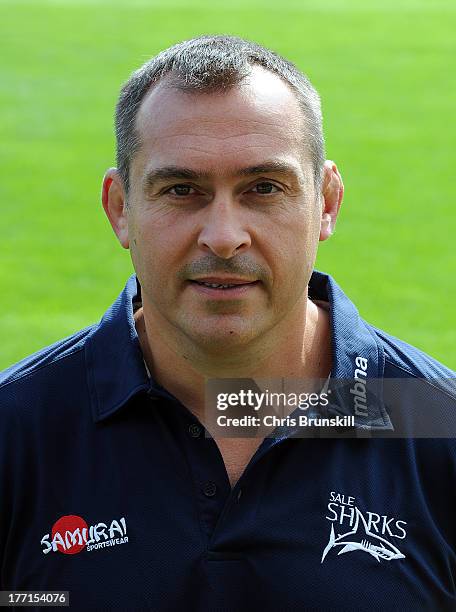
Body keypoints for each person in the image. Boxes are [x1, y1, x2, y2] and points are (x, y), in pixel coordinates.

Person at [0, 35, 455, 611]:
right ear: (121, 209)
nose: (223, 236)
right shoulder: (17, 433)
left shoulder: (436, 424)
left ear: (327, 202)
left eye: (263, 189)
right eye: (181, 189)